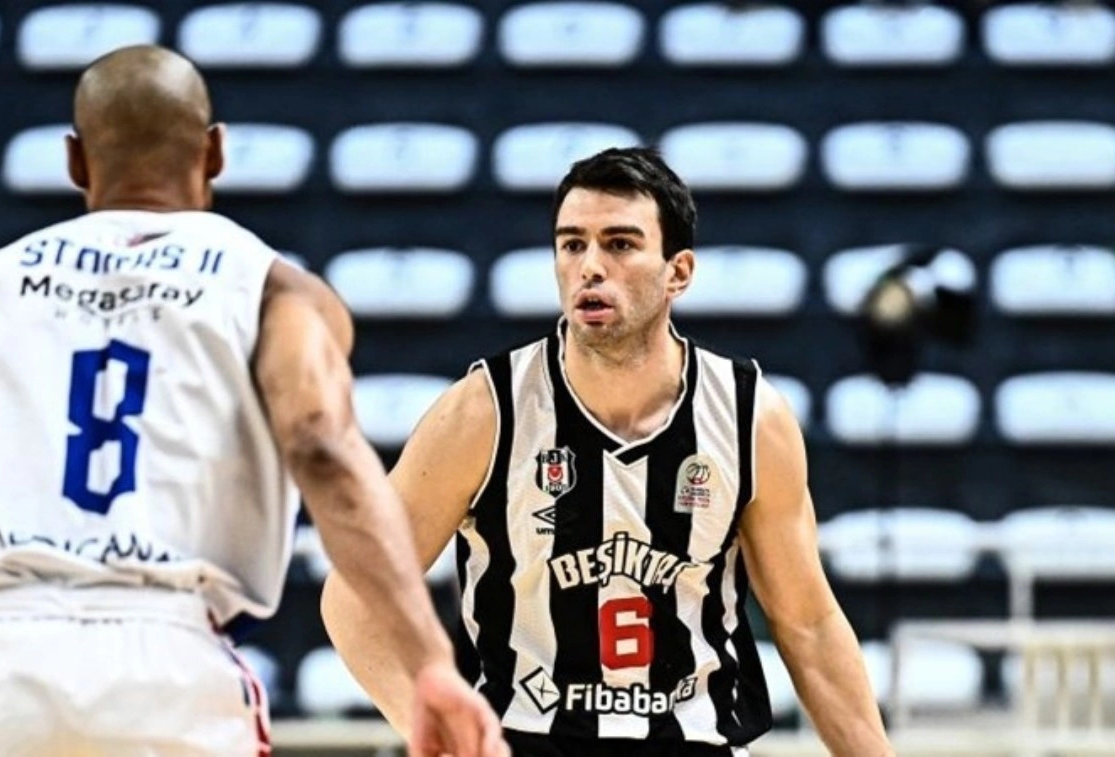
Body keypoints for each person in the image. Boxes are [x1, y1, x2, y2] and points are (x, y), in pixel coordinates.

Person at [0, 45, 506, 757]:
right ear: (215, 151)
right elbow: (320, 444)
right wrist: (429, 661)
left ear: (75, 161)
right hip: (170, 659)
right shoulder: (277, 291)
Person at [322, 147, 894, 757]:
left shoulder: (750, 416)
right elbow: (356, 595)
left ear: (678, 272)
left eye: (619, 244)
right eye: (572, 245)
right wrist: (443, 740)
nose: (590, 266)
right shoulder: (486, 411)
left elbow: (808, 624)